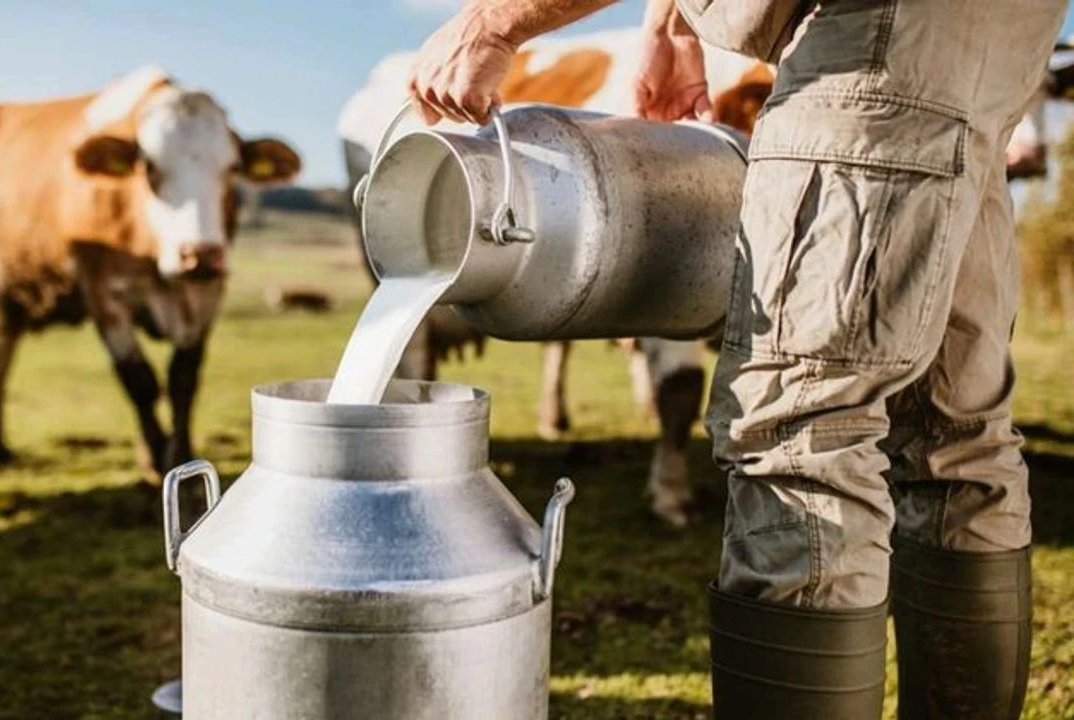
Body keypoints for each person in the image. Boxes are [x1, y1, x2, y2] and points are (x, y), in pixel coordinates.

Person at [406, 0, 1068, 718]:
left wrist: (489, 24)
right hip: (998, 37)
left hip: (866, 37)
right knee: (955, 439)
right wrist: (669, 23)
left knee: (803, 433)